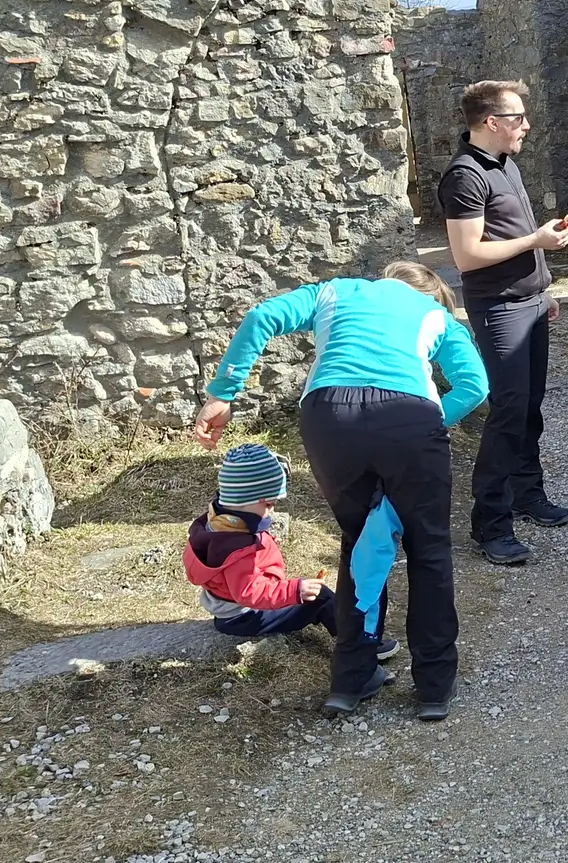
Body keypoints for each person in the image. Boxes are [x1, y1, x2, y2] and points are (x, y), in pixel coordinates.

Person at [191, 261, 487, 722]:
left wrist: (223, 393)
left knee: (361, 542)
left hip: (330, 416)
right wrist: (430, 424)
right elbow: (474, 384)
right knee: (428, 550)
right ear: (430, 296)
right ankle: (433, 687)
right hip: (409, 417)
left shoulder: (334, 292)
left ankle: (350, 681)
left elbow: (261, 317)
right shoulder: (437, 316)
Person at [439, 79, 568, 568]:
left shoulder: (505, 164)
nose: (527, 125)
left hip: (531, 302)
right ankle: (491, 526)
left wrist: (544, 284)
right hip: (499, 309)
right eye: (518, 117)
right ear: (491, 122)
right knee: (507, 412)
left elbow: (514, 234)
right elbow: (467, 255)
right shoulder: (464, 177)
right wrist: (535, 242)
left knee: (529, 407)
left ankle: (527, 495)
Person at [181, 443, 400, 660]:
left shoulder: (217, 524)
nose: (271, 512)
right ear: (245, 499)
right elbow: (250, 593)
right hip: (245, 616)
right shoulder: (238, 547)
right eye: (268, 504)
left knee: (316, 596)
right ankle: (359, 644)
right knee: (321, 599)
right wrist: (295, 591)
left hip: (228, 612)